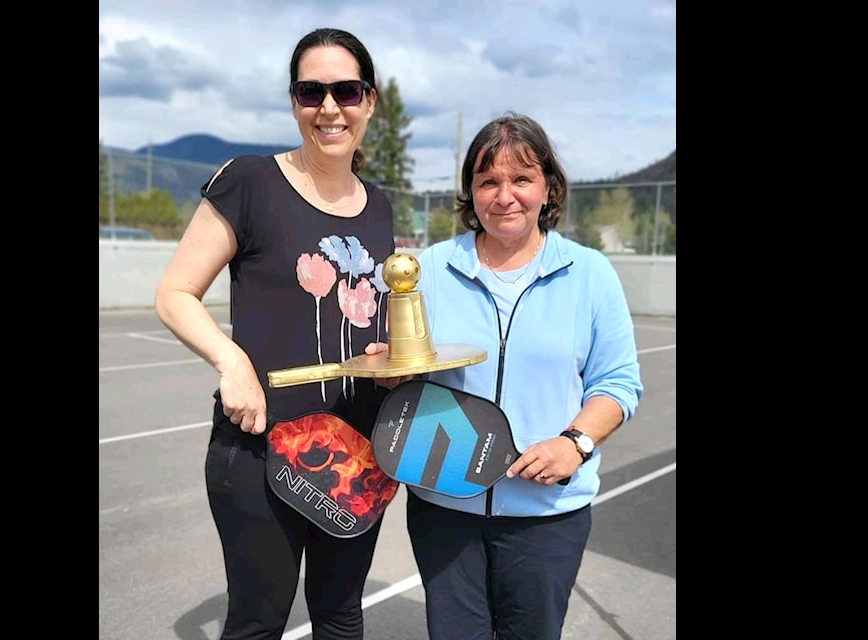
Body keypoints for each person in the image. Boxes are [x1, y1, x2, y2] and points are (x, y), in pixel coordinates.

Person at [155, 27, 397, 640]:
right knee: (258, 622)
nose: (329, 107)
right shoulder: (251, 181)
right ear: (294, 101)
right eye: (311, 91)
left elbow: (370, 317)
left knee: (341, 617)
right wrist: (230, 360)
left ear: (369, 101)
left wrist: (386, 355)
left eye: (346, 90)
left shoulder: (380, 206)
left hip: (354, 453)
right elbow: (175, 293)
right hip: (261, 449)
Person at [397, 112, 644, 640]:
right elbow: (406, 373)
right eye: (488, 181)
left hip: (547, 511)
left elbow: (619, 382)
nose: (504, 195)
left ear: (547, 187)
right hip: (445, 508)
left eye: (521, 179)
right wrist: (390, 370)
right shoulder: (432, 270)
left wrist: (573, 444)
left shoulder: (590, 273)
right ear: (470, 191)